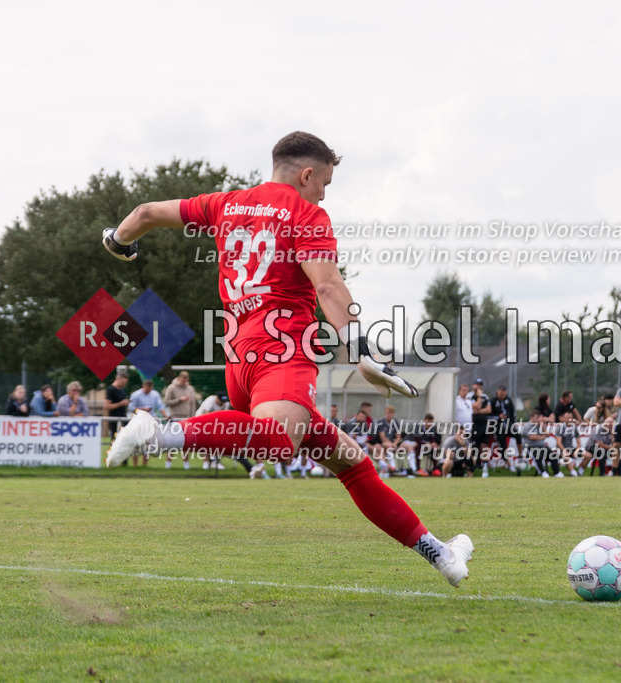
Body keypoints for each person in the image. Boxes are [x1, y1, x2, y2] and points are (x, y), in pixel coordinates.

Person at [102, 132, 472, 586]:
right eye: (326, 183)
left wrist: (119, 242)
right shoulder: (306, 213)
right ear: (307, 173)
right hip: (283, 354)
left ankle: (441, 555)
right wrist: (360, 351)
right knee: (278, 443)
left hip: (240, 358)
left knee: (351, 463)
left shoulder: (226, 204)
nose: (324, 193)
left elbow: (145, 214)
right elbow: (329, 287)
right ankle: (157, 433)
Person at [127, 380, 169, 467]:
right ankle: (135, 465)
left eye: (150, 389)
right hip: (137, 421)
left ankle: (144, 465)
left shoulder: (155, 394)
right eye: (147, 389)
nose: (148, 391)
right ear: (143, 386)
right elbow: (131, 407)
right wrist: (142, 409)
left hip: (149, 422)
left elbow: (160, 406)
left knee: (147, 443)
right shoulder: (136, 395)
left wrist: (165, 415)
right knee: (136, 443)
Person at [469, 378, 492, 475]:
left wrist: (479, 411)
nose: (478, 387)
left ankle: (485, 465)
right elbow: (475, 408)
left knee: (484, 445)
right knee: (474, 446)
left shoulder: (485, 396)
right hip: (474, 424)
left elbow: (488, 410)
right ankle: (474, 466)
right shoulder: (470, 396)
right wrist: (479, 397)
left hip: (484, 423)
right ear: (473, 385)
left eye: (480, 385)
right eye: (477, 385)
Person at [105, 372, 130, 440]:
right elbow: (107, 406)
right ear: (117, 379)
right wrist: (120, 404)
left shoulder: (121, 390)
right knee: (114, 438)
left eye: (125, 382)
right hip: (114, 418)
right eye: (122, 382)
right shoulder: (111, 390)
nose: (124, 384)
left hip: (123, 416)